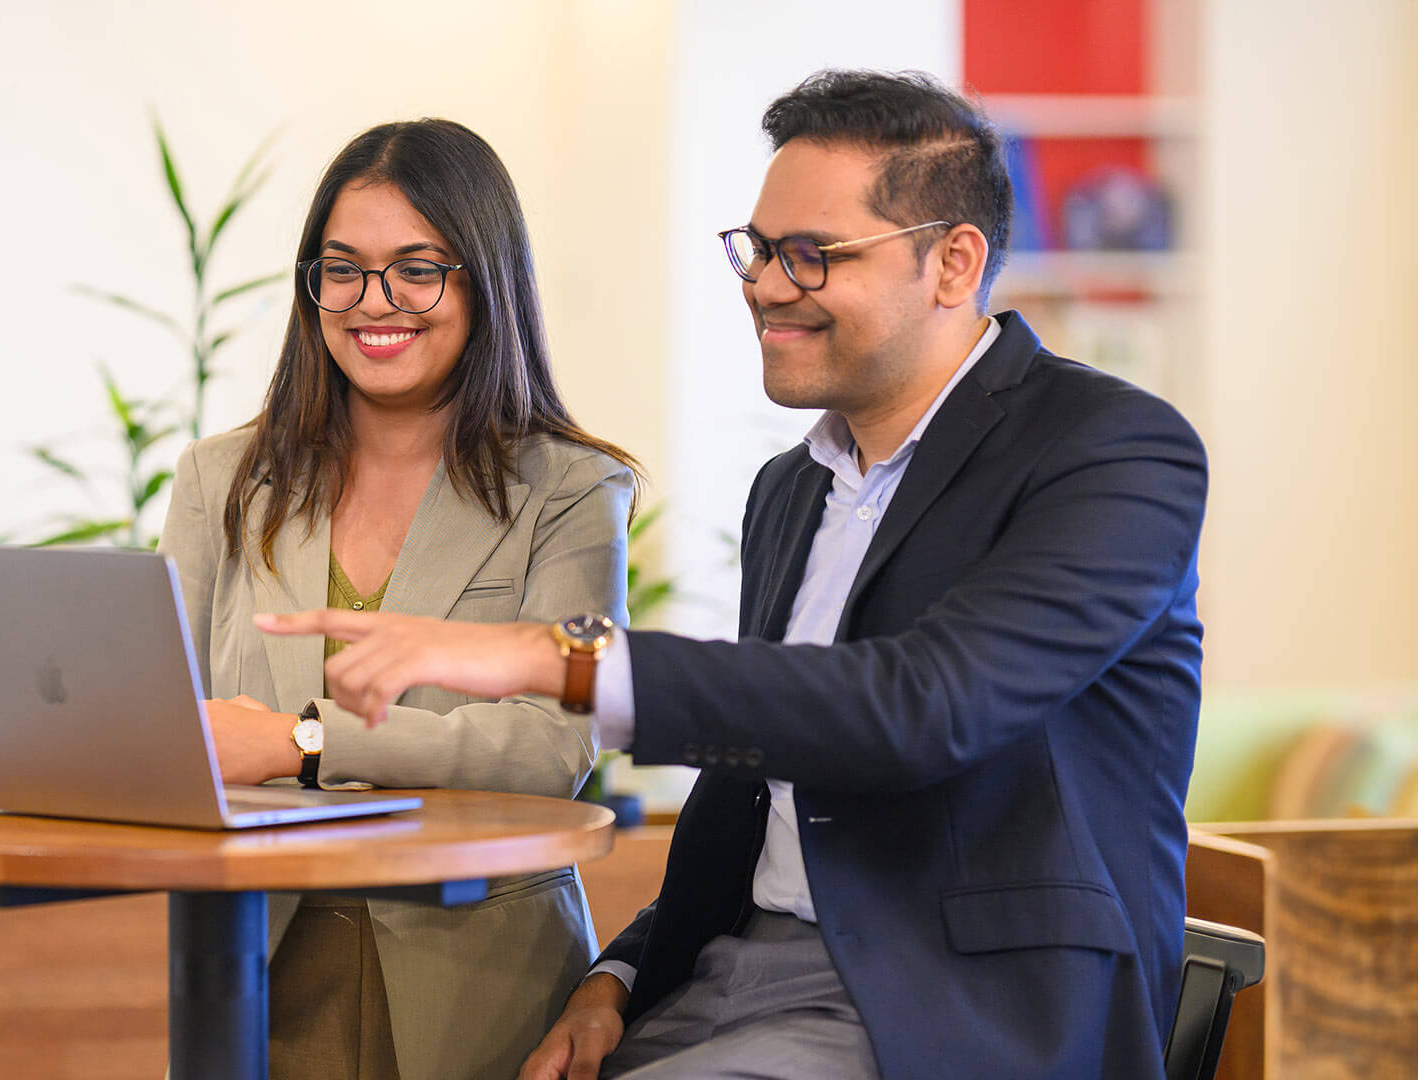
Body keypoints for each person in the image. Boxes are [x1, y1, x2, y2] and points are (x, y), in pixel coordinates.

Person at [259, 70, 1209, 1080]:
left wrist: (553, 659)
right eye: (758, 249)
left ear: (953, 263)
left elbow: (922, 707)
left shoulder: (1110, 451)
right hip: (728, 983)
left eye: (811, 255)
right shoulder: (791, 490)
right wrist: (618, 975)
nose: (764, 286)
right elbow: (753, 800)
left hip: (944, 1010)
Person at [157, 117, 638, 1080]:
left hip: (484, 979)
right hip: (255, 965)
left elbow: (553, 746)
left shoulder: (571, 489)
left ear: (485, 281)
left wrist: (304, 742)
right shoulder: (221, 481)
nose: (376, 303)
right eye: (343, 270)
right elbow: (168, 724)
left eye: (418, 270)